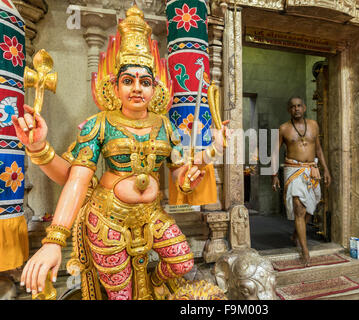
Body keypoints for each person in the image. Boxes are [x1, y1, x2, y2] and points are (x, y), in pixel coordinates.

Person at [13, 6, 228, 300]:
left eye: (145, 81)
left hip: (151, 214)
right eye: (128, 80)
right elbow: (75, 179)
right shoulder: (100, 124)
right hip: (107, 219)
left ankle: (155, 284)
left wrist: (206, 156)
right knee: (121, 295)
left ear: (156, 88)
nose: (137, 88)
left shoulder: (165, 125)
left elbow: (179, 172)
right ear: (114, 86)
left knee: (182, 262)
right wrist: (54, 239)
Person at [272, 96, 330, 266]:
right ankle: (305, 251)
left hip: (312, 169)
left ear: (304, 108)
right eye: (292, 107)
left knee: (310, 208)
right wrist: (274, 175)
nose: (296, 109)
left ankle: (296, 234)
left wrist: (325, 169)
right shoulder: (283, 129)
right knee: (299, 208)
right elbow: (275, 152)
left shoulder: (313, 125)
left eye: (299, 106)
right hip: (293, 170)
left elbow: (318, 149)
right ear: (288, 110)